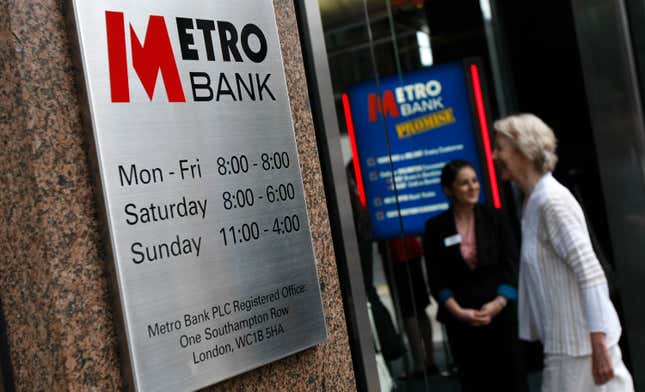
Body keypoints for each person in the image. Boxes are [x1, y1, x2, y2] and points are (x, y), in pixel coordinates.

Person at [492, 113, 634, 392]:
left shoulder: (552, 202)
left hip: (580, 351)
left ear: (524, 151)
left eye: (500, 148)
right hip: (566, 347)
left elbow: (590, 272)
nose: (495, 155)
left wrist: (599, 343)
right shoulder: (532, 203)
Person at [423, 159, 528, 392]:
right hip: (462, 322)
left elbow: (512, 264)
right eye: (464, 183)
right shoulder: (435, 227)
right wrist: (458, 312)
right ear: (448, 190)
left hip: (500, 316)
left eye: (474, 181)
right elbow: (436, 277)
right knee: (475, 382)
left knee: (511, 380)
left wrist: (498, 303)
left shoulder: (495, 217)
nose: (473, 188)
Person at [385, 235, 437, 376]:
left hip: (396, 251)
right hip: (412, 247)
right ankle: (430, 360)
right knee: (420, 308)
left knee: (408, 311)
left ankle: (419, 365)